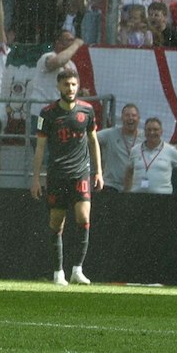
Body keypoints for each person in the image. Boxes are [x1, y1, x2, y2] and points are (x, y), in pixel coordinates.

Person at [30, 68, 101, 286]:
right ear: (58, 86)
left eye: (73, 84)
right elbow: (40, 147)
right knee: (56, 222)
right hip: (57, 175)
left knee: (84, 218)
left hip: (81, 173)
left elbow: (93, 141)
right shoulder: (47, 113)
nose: (70, 88)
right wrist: (36, 178)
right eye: (66, 84)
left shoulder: (87, 110)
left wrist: (98, 171)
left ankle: (77, 269)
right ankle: (58, 271)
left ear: (77, 86)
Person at [120, 117, 177, 195]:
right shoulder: (135, 150)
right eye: (149, 130)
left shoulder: (170, 150)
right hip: (137, 196)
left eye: (155, 130)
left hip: (162, 197)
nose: (152, 132)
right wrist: (126, 193)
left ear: (161, 132)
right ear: (144, 132)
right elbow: (129, 172)